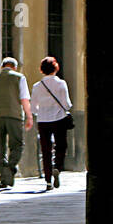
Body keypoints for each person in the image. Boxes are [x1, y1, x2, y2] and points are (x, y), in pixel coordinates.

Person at [0, 57, 32, 189]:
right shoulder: (19, 78)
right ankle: (10, 168)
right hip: (14, 116)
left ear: (2, 66)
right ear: (14, 67)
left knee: (0, 146)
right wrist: (29, 116)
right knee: (17, 144)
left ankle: (4, 176)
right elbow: (24, 99)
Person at [31, 56, 72, 191]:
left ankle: (48, 180)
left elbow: (33, 107)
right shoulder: (61, 84)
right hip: (59, 119)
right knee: (61, 146)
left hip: (43, 120)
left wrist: (42, 110)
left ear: (42, 70)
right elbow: (67, 104)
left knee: (45, 149)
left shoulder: (37, 86)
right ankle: (57, 167)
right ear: (56, 68)